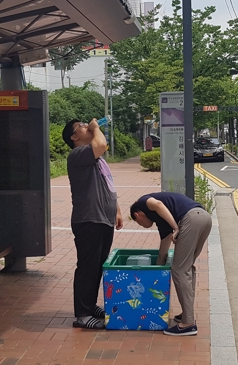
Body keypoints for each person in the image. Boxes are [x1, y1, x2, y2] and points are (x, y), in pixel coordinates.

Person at [62, 118, 123, 329]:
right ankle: (82, 314)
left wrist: (117, 210)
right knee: (87, 267)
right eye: (80, 125)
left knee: (98, 266)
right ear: (74, 137)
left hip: (102, 219)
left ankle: (89, 304)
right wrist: (96, 127)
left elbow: (108, 184)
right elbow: (101, 144)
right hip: (88, 219)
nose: (85, 126)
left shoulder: (96, 159)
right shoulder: (78, 154)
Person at [129, 192, 212, 336]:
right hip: (204, 218)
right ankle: (187, 314)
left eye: (139, 223)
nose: (142, 226)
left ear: (137, 215)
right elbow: (164, 246)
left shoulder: (143, 202)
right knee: (186, 267)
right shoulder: (160, 219)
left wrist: (176, 227)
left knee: (179, 270)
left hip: (191, 219)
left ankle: (188, 323)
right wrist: (158, 266)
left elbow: (158, 204)